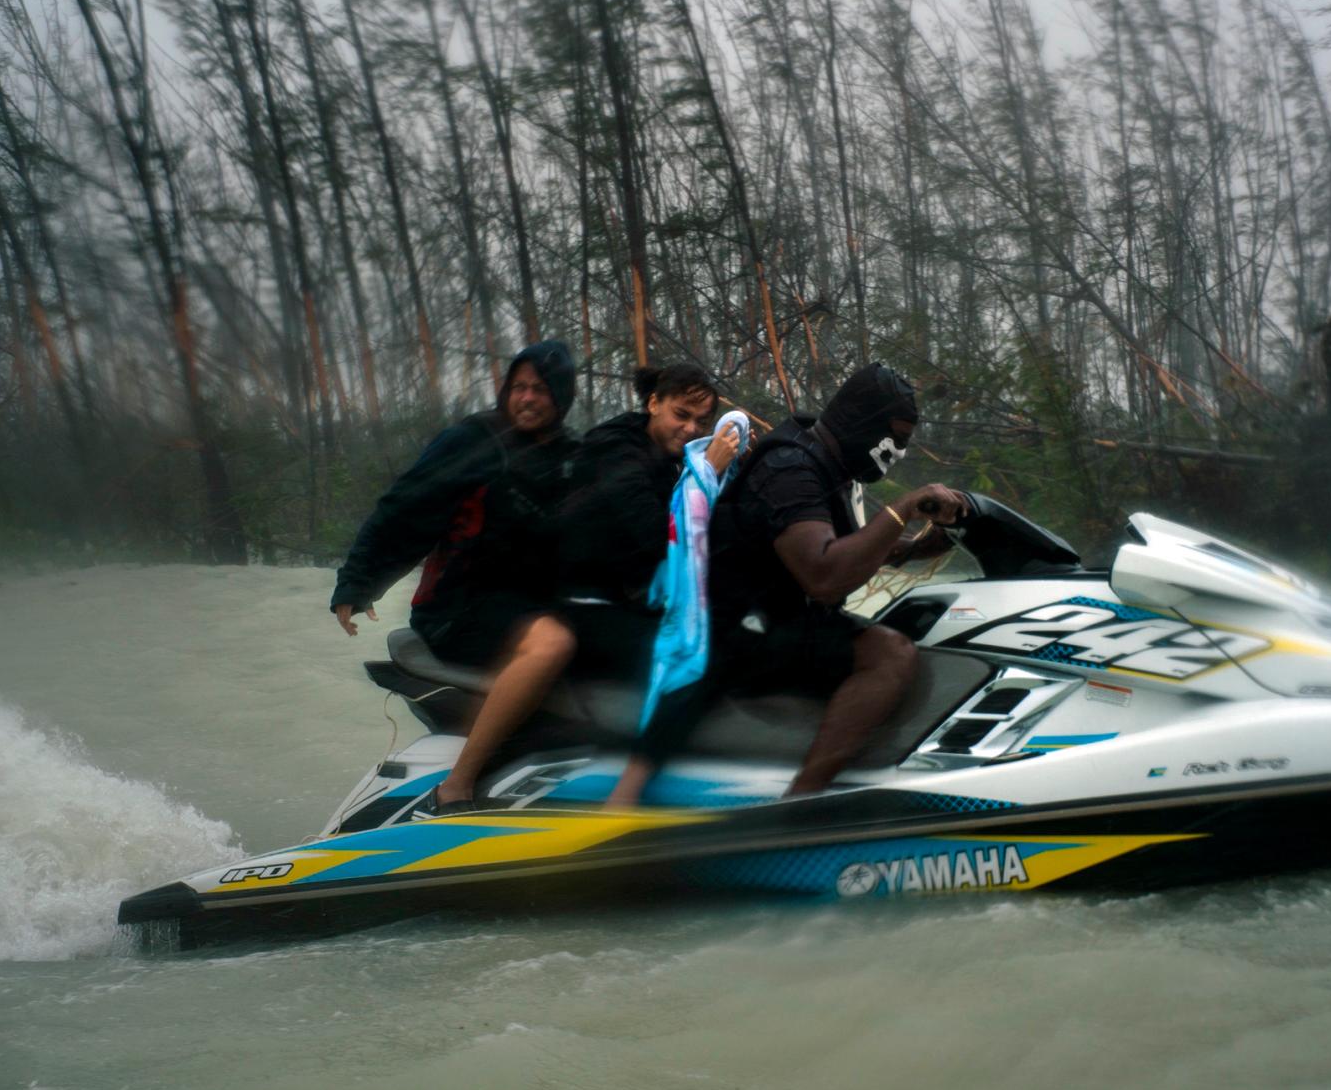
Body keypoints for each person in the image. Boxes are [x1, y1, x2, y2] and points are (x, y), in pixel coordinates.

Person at [607, 362, 966, 805]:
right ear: (862, 421)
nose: (899, 451)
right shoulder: (789, 468)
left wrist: (917, 546)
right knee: (890, 653)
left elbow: (840, 546)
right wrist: (902, 508)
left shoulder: (824, 462)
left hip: (769, 619)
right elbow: (825, 575)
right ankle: (801, 804)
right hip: (734, 633)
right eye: (894, 436)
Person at [426, 363, 742, 813]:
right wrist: (708, 472)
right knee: (694, 659)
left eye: (701, 421)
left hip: (623, 600)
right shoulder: (615, 449)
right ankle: (616, 799)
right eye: (681, 414)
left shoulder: (674, 456)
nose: (691, 428)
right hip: (580, 604)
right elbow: (656, 533)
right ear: (653, 403)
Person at [330, 341, 578, 675]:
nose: (527, 398)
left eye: (541, 389)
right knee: (561, 646)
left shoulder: (570, 454)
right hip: (457, 611)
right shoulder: (475, 439)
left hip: (529, 602)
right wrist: (358, 582)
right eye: (519, 387)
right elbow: (404, 510)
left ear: (561, 397)